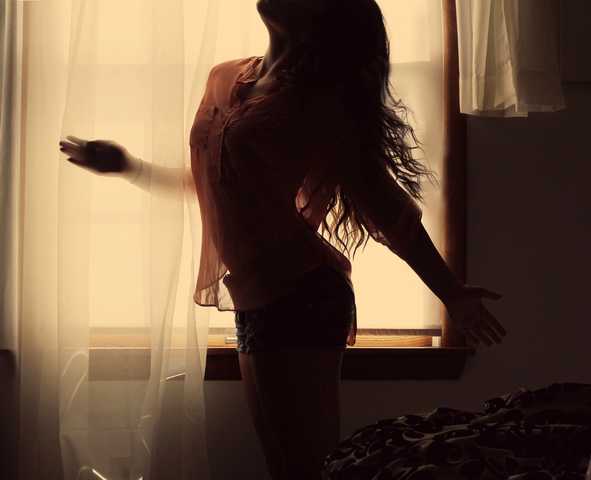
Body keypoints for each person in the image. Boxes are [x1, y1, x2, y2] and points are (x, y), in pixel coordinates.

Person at [59, 0, 508, 478]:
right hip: (254, 296)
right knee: (285, 465)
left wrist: (451, 292)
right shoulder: (224, 78)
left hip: (302, 294)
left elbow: (386, 211)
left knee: (308, 467)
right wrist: (130, 167)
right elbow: (213, 182)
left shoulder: (317, 105)